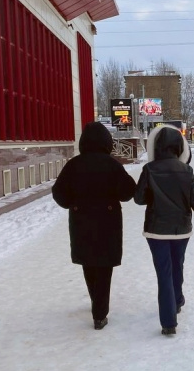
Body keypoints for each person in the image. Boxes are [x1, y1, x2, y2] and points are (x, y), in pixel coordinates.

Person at [134, 125, 194, 336]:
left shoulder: (150, 169)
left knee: (163, 273)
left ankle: (168, 322)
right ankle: (177, 300)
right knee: (177, 265)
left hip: (156, 230)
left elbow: (139, 199)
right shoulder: (186, 170)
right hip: (181, 229)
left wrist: (151, 194)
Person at [51, 122, 137, 330]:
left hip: (82, 223)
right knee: (104, 267)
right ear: (106, 142)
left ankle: (95, 302)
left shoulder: (74, 165)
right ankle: (100, 313)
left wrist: (73, 204)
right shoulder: (112, 164)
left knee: (89, 264)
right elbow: (127, 192)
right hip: (108, 224)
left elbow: (58, 193)